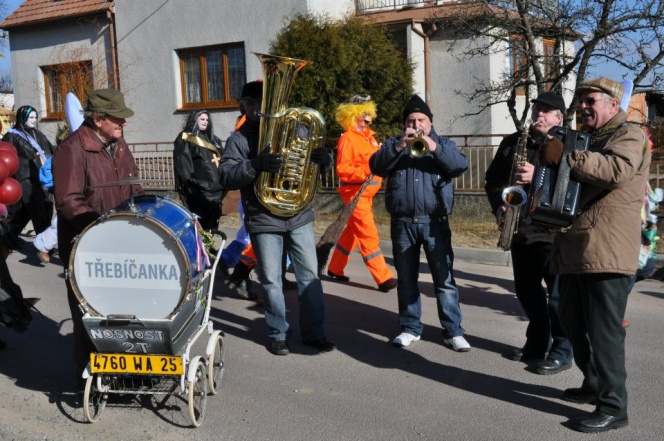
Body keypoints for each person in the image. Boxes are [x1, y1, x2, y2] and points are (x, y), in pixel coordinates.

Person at [538, 77, 650, 433]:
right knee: (571, 319)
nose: (584, 107)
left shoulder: (629, 134)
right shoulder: (589, 138)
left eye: (591, 101)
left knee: (604, 332)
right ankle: (594, 383)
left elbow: (616, 171)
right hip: (578, 246)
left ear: (613, 104)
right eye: (582, 101)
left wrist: (567, 156)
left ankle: (614, 407)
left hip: (608, 249)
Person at [219, 80, 335, 356]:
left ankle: (315, 333)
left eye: (263, 102)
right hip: (263, 218)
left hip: (298, 214)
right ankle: (278, 333)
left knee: (309, 277)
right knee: (271, 280)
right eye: (252, 103)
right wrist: (254, 165)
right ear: (244, 106)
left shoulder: (295, 129)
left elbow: (308, 162)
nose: (258, 107)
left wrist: (324, 160)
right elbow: (225, 175)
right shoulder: (239, 139)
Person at [52, 88, 143, 387]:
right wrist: (101, 228)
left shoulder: (119, 143)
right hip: (86, 247)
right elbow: (68, 201)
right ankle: (90, 381)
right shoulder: (71, 149)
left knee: (126, 312)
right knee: (89, 316)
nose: (123, 123)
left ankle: (127, 372)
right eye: (117, 118)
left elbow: (134, 186)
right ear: (97, 119)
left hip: (123, 243)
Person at [369, 94, 471, 352]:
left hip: (435, 222)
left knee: (444, 280)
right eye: (411, 121)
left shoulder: (443, 144)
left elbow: (460, 166)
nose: (416, 125)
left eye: (421, 120)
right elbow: (376, 167)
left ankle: (453, 331)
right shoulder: (394, 144)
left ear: (430, 122)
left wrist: (433, 147)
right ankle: (410, 328)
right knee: (406, 279)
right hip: (403, 222)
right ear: (405, 124)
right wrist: (398, 147)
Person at [484, 92, 573, 375]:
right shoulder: (513, 142)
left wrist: (538, 176)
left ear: (559, 118)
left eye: (546, 111)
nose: (539, 114)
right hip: (519, 228)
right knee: (528, 293)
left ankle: (562, 351)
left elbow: (571, 185)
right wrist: (499, 204)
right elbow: (492, 179)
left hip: (552, 231)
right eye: (536, 109)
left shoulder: (569, 145)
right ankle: (536, 344)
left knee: (557, 297)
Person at [325, 95, 397, 292]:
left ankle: (335, 267)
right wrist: (369, 170)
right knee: (368, 234)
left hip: (366, 194)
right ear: (353, 114)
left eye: (369, 113)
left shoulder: (369, 138)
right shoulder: (348, 138)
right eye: (364, 114)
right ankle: (383, 277)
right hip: (355, 194)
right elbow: (343, 170)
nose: (369, 118)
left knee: (353, 232)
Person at [2, 105, 54, 250]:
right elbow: (5, 157)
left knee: (25, 212)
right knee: (38, 211)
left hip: (41, 178)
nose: (34, 120)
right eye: (31, 117)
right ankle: (45, 245)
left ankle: (9, 238)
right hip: (24, 179)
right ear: (22, 117)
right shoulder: (12, 135)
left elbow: (51, 150)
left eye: (35, 117)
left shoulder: (38, 134)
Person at [173, 109, 226, 230]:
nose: (205, 122)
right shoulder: (185, 139)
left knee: (213, 227)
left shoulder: (214, 139)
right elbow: (184, 166)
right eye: (202, 119)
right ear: (194, 120)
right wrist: (193, 187)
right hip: (199, 192)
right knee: (200, 228)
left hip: (218, 192)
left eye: (207, 119)